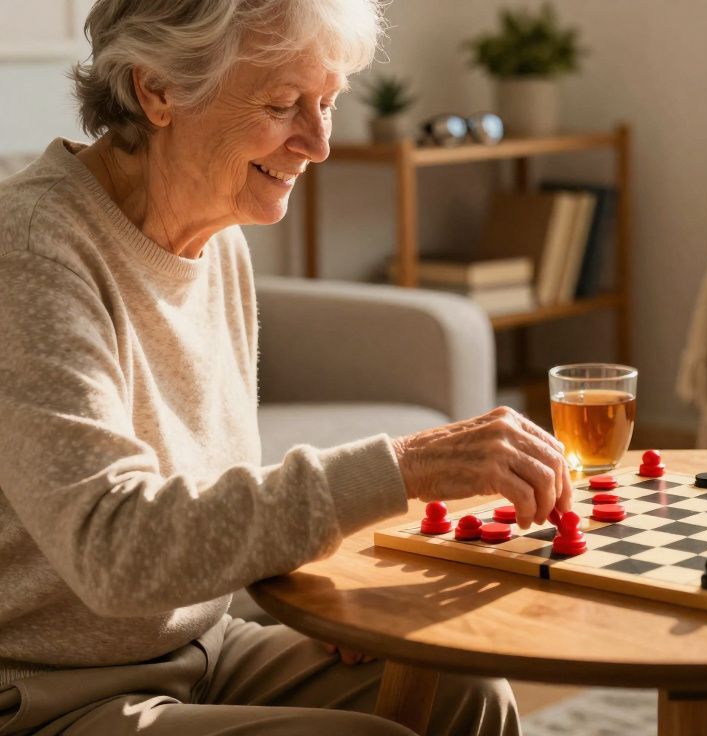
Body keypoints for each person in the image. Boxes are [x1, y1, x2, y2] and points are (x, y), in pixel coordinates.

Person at [0, 1, 573, 733]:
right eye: (281, 104)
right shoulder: (31, 248)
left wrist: (326, 589)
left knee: (463, 689)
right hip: (56, 693)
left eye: (328, 102)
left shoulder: (221, 241)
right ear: (158, 91)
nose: (319, 142)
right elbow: (114, 547)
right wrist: (404, 467)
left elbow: (210, 494)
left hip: (205, 647)